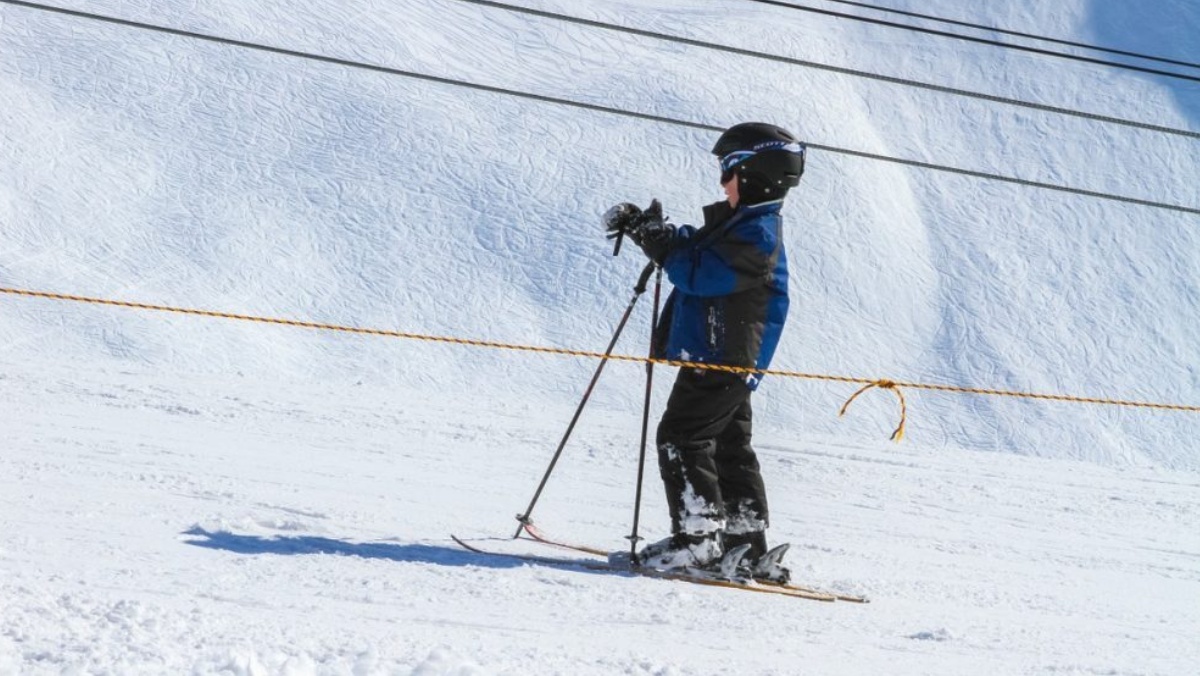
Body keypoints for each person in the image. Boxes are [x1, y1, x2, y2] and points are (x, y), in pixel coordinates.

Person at [603, 122, 805, 582]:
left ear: (757, 175)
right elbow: (696, 251)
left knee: (682, 438)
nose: (722, 182)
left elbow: (702, 275)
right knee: (729, 447)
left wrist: (662, 247)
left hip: (722, 357)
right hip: (725, 356)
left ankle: (696, 541)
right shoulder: (745, 226)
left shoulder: (758, 237)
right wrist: (655, 234)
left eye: (729, 171)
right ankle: (744, 543)